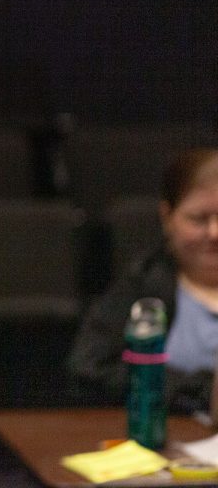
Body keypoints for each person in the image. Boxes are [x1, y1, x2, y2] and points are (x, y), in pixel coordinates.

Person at [70, 148, 218, 414]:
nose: (214, 233)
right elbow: (90, 366)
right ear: (167, 217)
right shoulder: (145, 283)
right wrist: (200, 390)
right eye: (198, 219)